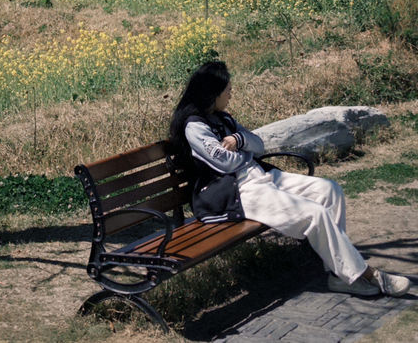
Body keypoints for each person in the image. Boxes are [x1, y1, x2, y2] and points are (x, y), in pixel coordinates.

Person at [169, 60, 411, 298]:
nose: (231, 94)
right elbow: (224, 162)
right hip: (237, 193)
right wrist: (245, 152)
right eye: (228, 90)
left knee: (329, 190)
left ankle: (339, 274)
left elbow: (259, 144)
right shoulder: (195, 127)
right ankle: (369, 275)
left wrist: (240, 142)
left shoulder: (223, 118)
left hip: (259, 176)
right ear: (212, 93)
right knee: (315, 213)